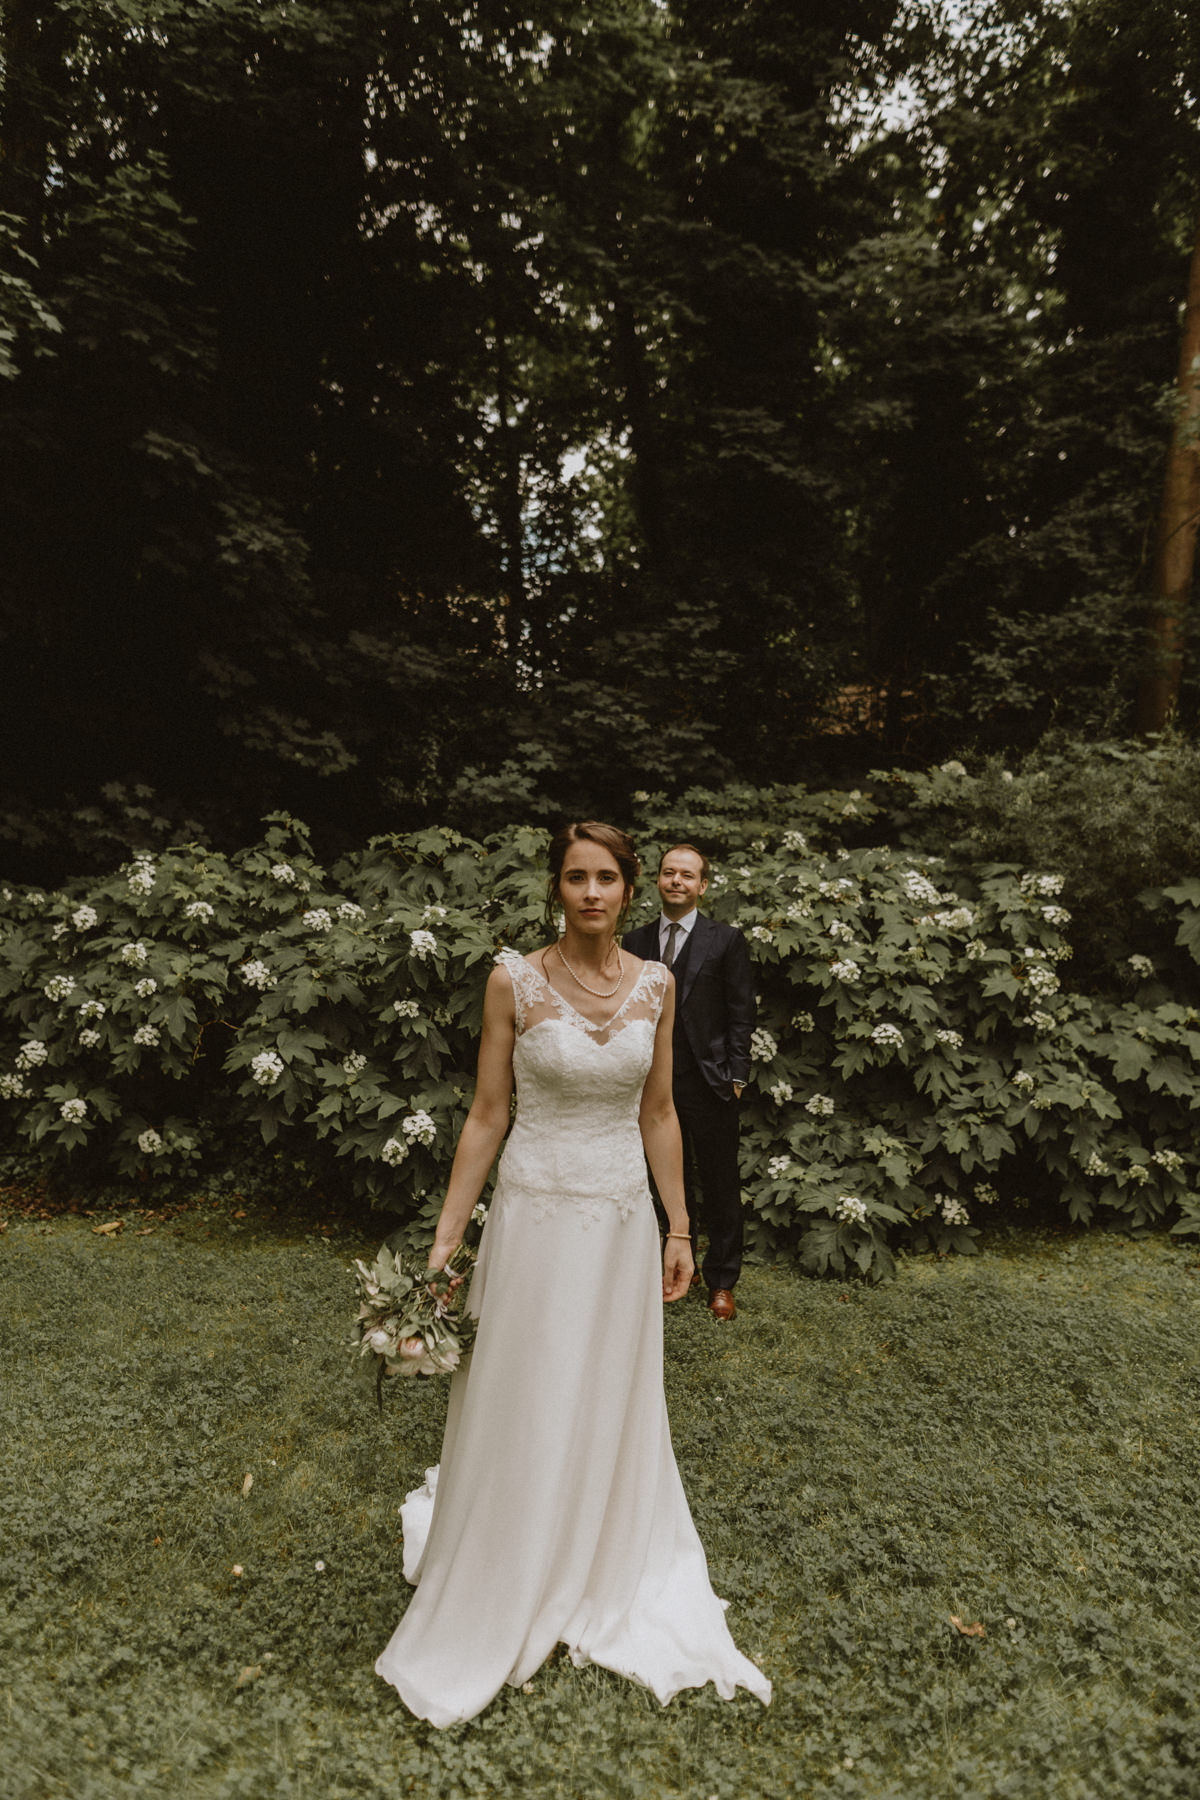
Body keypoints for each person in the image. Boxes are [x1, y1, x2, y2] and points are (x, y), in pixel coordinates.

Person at [374, 822, 771, 1727]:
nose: (591, 893)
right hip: (533, 1214)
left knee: (602, 1385)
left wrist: (680, 1227)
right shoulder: (512, 981)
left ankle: (595, 1548)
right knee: (525, 1383)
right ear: (556, 887)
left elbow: (660, 1112)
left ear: (630, 890)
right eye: (575, 877)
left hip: (621, 1219)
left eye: (606, 879)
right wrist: (444, 1243)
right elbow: (487, 1114)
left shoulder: (658, 984)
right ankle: (509, 1553)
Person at [623, 844, 754, 1321]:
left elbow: (742, 1011)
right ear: (658, 880)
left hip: (711, 1081)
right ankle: (682, 1264)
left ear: (702, 885)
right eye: (668, 873)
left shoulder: (726, 940)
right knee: (666, 1179)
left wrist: (737, 1075)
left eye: (686, 875)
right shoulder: (634, 941)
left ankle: (722, 1280)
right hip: (652, 1083)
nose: (676, 880)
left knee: (720, 1181)